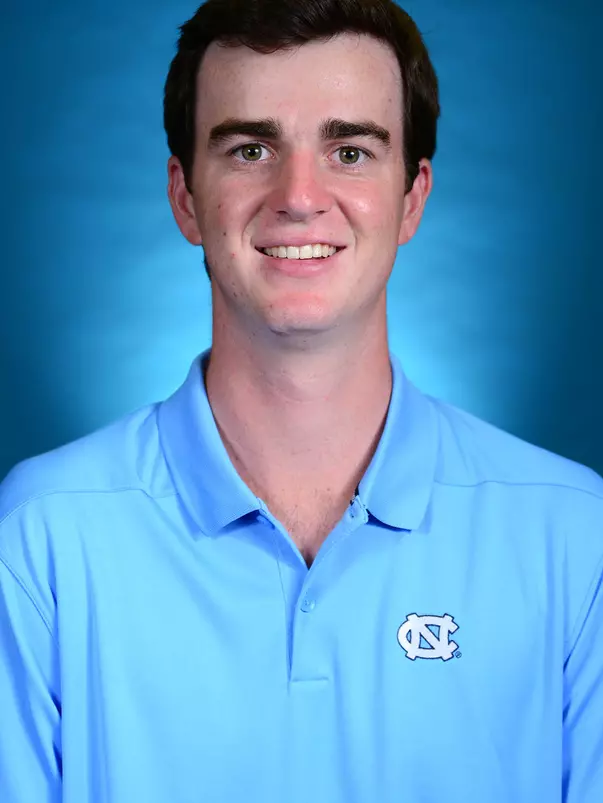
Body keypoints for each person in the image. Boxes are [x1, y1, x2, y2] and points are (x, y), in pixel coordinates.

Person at [0, 0, 601, 800]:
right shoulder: (39, 538)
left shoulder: (574, 538)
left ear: (411, 199)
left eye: (349, 151)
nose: (299, 195)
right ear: (184, 196)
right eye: (251, 148)